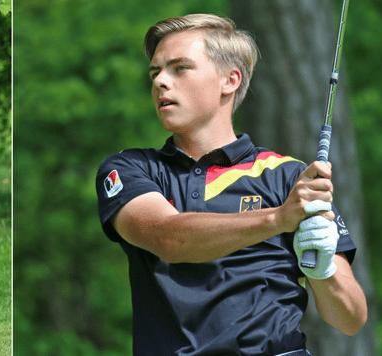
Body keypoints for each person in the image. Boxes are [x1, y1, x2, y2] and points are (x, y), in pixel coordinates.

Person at [94, 14, 367, 356]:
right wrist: (278, 219)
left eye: (180, 68)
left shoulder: (288, 178)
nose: (160, 81)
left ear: (230, 80)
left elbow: (351, 319)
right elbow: (169, 237)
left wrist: (325, 270)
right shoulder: (130, 169)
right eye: (155, 72)